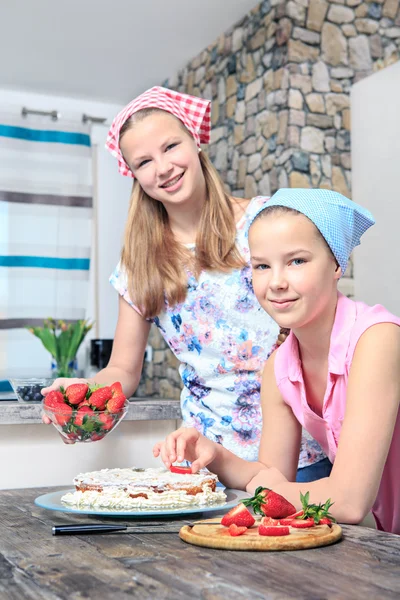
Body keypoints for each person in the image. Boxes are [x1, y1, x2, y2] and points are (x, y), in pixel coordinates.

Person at [42, 87, 330, 481]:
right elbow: (123, 368)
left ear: (195, 140)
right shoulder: (139, 265)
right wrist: (86, 395)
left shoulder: (265, 220)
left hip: (303, 451)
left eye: (170, 146)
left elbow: (323, 314)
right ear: (134, 175)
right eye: (144, 161)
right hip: (203, 461)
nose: (162, 167)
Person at [154, 188, 400, 534]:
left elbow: (348, 500)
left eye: (297, 261)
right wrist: (215, 454)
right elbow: (270, 474)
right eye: (262, 266)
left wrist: (267, 491)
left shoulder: (377, 339)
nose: (277, 282)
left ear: (336, 264)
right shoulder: (279, 368)